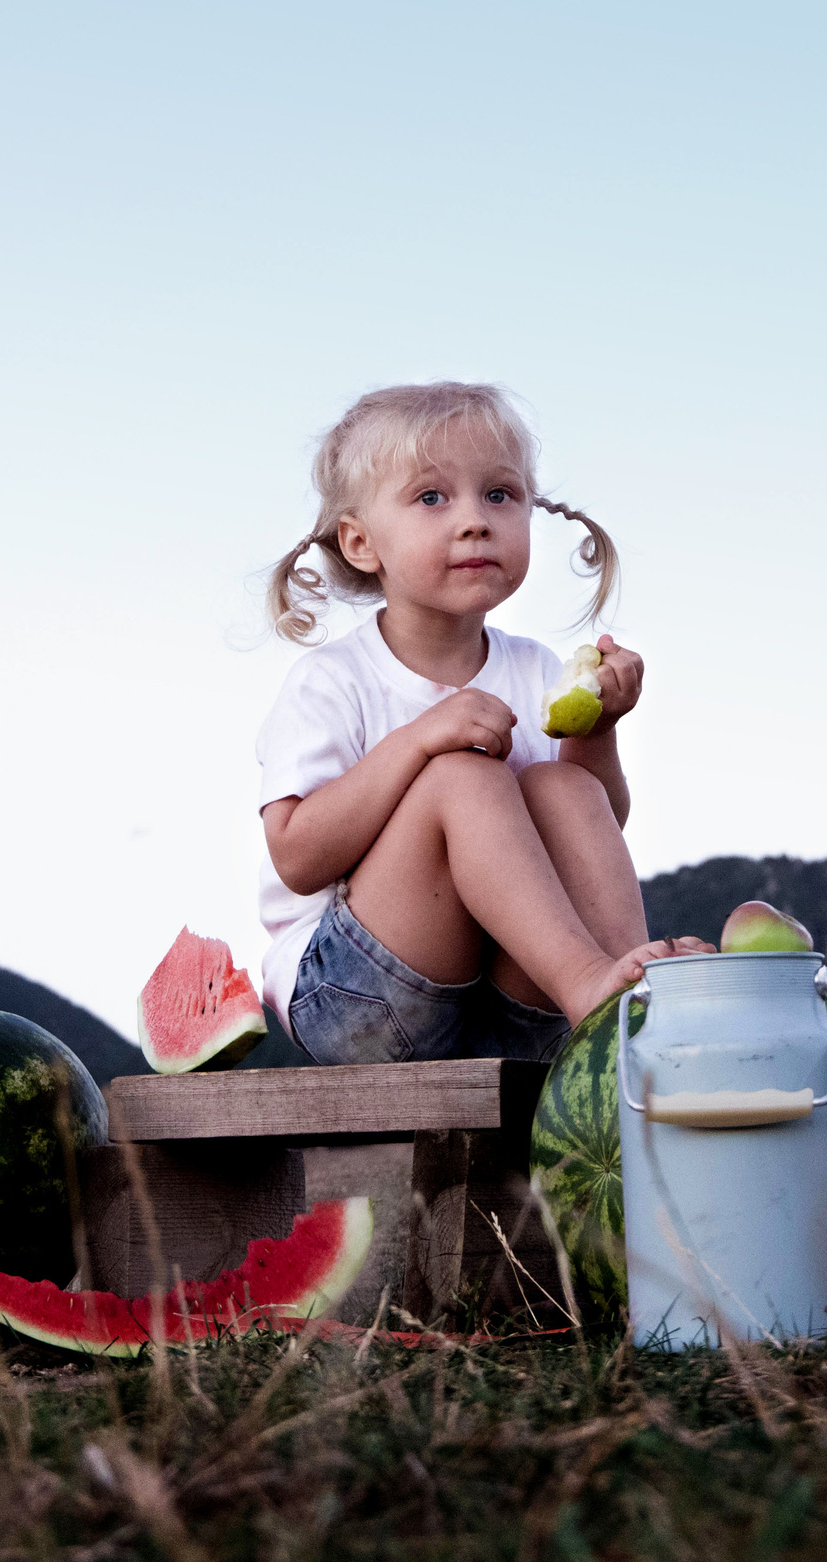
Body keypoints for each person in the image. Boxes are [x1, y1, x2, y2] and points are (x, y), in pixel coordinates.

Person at [254, 381, 710, 1066]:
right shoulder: (334, 681)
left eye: (499, 494)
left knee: (563, 788)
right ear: (360, 541)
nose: (474, 519)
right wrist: (419, 741)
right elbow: (294, 856)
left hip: (509, 1001)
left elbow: (595, 823)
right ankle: (597, 988)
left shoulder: (533, 669)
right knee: (463, 777)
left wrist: (598, 729)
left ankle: (629, 996)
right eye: (432, 497)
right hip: (360, 1001)